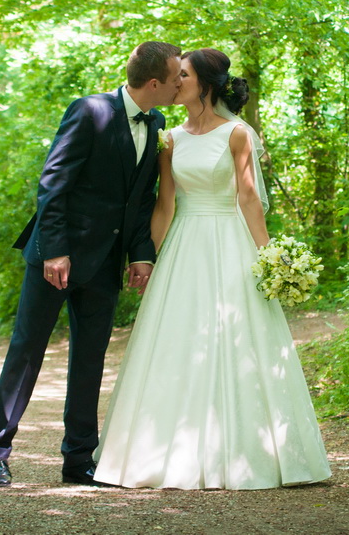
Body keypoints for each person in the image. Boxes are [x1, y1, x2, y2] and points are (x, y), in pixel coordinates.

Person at [93, 48, 332, 489]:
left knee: (238, 341)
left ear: (204, 84)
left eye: (182, 75)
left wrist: (271, 259)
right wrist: (147, 259)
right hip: (184, 245)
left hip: (229, 243)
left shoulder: (238, 134)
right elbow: (165, 204)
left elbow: (248, 200)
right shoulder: (171, 138)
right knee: (177, 339)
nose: (175, 80)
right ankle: (166, 451)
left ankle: (249, 452)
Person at [0, 41, 182, 487]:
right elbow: (54, 181)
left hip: (105, 264)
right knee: (26, 352)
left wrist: (141, 255)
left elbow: (139, 197)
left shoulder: (159, 123)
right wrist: (55, 249)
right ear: (154, 83)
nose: (178, 87)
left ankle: (78, 460)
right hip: (57, 258)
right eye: (174, 80)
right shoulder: (89, 110)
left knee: (90, 360)